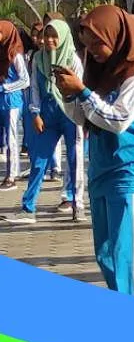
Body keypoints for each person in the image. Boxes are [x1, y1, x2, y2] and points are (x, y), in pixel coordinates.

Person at [54, 6, 134, 296]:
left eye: (98, 42)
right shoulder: (99, 72)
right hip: (102, 171)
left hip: (131, 172)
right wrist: (71, 94)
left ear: (116, 36)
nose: (93, 50)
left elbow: (117, 119)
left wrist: (84, 93)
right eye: (86, 44)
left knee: (130, 263)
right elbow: (83, 118)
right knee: (107, 256)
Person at [5, 19, 84, 223]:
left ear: (64, 37)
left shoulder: (72, 59)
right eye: (46, 36)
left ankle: (75, 201)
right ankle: (28, 207)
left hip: (70, 112)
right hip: (47, 114)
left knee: (74, 159)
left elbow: (79, 88)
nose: (49, 40)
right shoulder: (38, 59)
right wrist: (35, 113)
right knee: (39, 160)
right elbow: (35, 89)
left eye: (54, 36)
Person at [0, 21, 30, 191]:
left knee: (12, 137)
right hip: (1, 101)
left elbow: (24, 80)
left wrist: (6, 87)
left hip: (12, 101)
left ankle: (12, 175)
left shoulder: (15, 54)